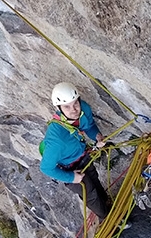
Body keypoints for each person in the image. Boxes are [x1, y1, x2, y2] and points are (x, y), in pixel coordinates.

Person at [39, 82, 113, 220]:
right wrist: (71, 178)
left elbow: (89, 126)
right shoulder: (57, 140)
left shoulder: (83, 109)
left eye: (75, 103)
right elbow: (46, 168)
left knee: (95, 181)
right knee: (90, 194)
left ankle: (108, 203)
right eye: (67, 107)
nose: (74, 110)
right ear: (58, 108)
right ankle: (108, 218)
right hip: (69, 168)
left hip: (83, 157)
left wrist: (97, 136)